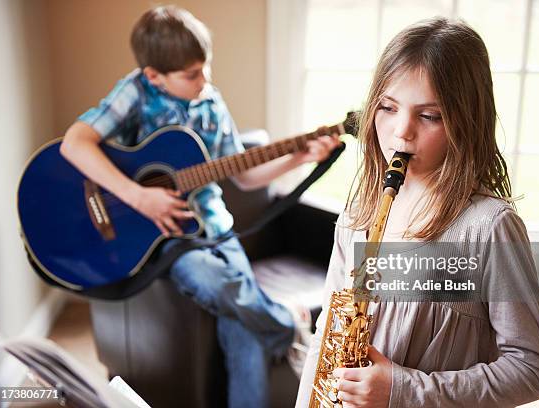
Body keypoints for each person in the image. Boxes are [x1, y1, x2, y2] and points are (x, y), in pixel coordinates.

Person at [59, 5, 340, 408]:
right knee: (213, 281)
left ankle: (268, 328)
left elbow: (243, 175)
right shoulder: (135, 92)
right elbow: (75, 143)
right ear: (155, 75)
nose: (204, 80)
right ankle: (286, 322)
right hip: (167, 238)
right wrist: (140, 195)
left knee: (241, 328)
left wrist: (301, 157)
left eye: (205, 68)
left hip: (216, 228)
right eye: (191, 75)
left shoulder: (211, 101)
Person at [296, 17, 539, 408]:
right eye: (387, 107)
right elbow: (326, 336)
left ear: (466, 121)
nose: (401, 132)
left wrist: (402, 390)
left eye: (429, 116)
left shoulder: (489, 228)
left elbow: (534, 368)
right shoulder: (359, 213)